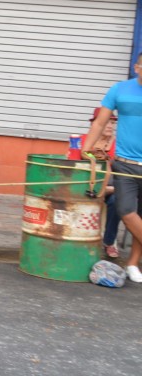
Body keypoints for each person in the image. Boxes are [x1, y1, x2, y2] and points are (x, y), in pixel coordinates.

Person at [83, 52, 142, 283]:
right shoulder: (119, 90)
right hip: (125, 166)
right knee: (127, 213)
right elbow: (99, 122)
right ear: (137, 67)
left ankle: (132, 265)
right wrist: (86, 151)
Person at [86, 107, 119, 259]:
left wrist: (109, 189)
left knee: (117, 201)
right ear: (96, 124)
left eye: (113, 123)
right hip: (85, 185)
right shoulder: (82, 141)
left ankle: (109, 241)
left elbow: (121, 175)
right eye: (107, 122)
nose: (110, 126)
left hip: (110, 188)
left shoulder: (119, 146)